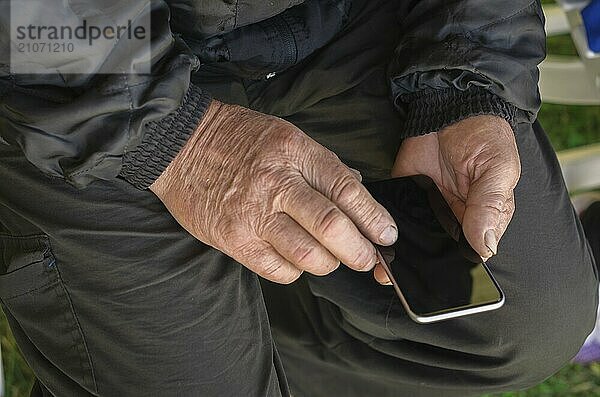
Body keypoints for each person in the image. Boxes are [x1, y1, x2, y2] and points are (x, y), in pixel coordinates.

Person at [0, 0, 597, 396]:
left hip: (339, 22)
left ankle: (201, 338)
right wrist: (174, 137)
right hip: (77, 72)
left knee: (528, 321)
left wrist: (464, 81)